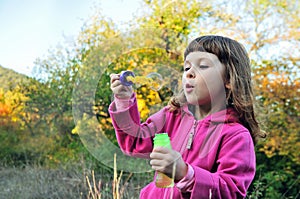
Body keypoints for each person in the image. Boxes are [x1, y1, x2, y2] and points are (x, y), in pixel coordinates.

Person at [109, 35, 266, 198]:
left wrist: (185, 173)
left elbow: (231, 191)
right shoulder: (171, 116)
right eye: (186, 68)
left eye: (203, 66)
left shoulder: (235, 136)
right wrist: (123, 99)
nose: (190, 73)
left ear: (229, 79)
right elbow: (134, 142)